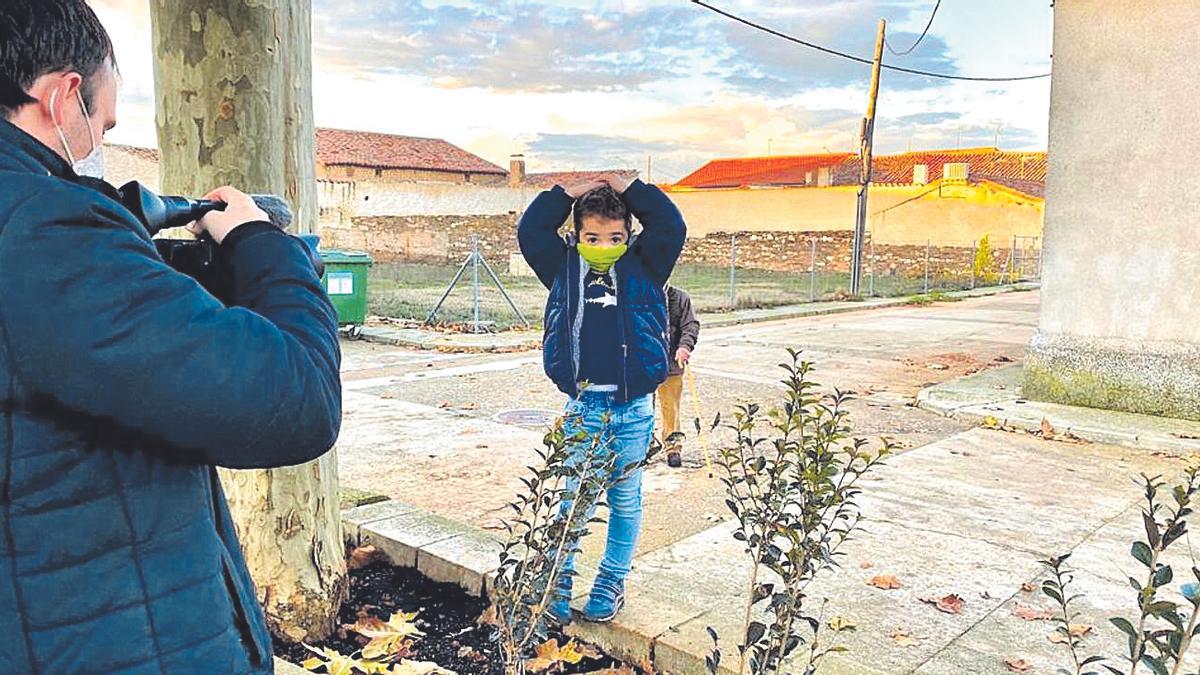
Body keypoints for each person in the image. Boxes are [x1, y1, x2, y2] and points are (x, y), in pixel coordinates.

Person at [0, 2, 341, 673]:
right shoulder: (43, 233)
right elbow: (300, 398)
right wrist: (262, 245)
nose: (100, 145)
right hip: (112, 639)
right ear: (63, 97)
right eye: (103, 124)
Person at [518, 173, 686, 624]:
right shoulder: (562, 266)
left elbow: (671, 226)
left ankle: (611, 583)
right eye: (592, 236)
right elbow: (530, 230)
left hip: (633, 408)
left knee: (625, 498)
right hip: (585, 406)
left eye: (615, 236)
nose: (604, 244)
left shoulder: (646, 265)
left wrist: (628, 188)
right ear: (576, 235)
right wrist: (567, 194)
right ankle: (558, 578)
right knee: (575, 498)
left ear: (630, 235)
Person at [657, 284, 700, 468]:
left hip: (671, 364)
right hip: (642, 363)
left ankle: (672, 446)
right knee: (640, 407)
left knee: (670, 407)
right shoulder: (638, 294)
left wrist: (684, 347)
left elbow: (690, 325)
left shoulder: (681, 298)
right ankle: (644, 445)